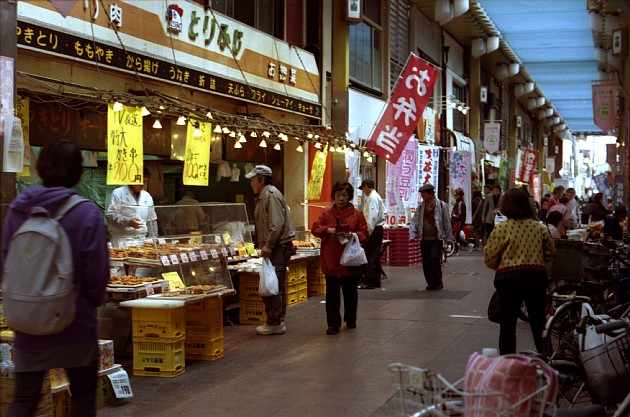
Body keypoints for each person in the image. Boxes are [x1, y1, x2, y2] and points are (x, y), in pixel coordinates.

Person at [1, 140, 109, 417]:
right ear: (78, 172)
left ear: (40, 168)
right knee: (83, 399)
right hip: (76, 323)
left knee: (25, 399)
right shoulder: (86, 213)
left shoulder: (17, 210)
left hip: (28, 321)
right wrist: (89, 304)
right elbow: (97, 274)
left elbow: (5, 262)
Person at [483, 188, 555, 355]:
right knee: (538, 322)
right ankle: (548, 360)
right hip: (536, 278)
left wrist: (501, 265)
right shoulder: (539, 228)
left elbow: (490, 257)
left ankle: (509, 363)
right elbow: (551, 252)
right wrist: (536, 260)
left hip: (509, 279)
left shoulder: (502, 228)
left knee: (507, 325)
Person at [311, 181, 369, 334]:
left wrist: (353, 235)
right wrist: (329, 230)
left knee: (350, 292)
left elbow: (364, 234)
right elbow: (315, 229)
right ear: (333, 196)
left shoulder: (357, 214)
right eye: (338, 195)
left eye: (344, 195)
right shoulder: (326, 213)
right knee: (332, 294)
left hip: (350, 261)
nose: (341, 199)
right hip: (331, 259)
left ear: (349, 196)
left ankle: (351, 319)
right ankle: (333, 324)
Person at [246, 165, 295, 335]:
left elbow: (277, 224)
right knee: (275, 283)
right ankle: (276, 320)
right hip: (275, 247)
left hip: (278, 248)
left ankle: (275, 322)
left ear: (262, 179)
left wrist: (268, 245)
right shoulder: (263, 195)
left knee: (273, 285)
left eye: (253, 179)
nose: (251, 183)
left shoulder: (270, 195)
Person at [409, 183, 452, 290]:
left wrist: (449, 237)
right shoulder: (420, 207)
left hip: (436, 238)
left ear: (431, 194)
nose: (422, 196)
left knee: (434, 258)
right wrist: (412, 234)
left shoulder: (441, 205)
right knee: (426, 262)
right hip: (424, 238)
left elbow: (447, 222)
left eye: (424, 194)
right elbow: (414, 221)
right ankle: (431, 283)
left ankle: (438, 281)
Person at [106, 167, 158, 247]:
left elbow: (152, 221)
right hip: (121, 240)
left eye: (144, 182)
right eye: (139, 182)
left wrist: (153, 241)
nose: (142, 185)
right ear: (130, 179)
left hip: (142, 240)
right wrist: (128, 222)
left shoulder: (147, 196)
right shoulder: (118, 193)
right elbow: (111, 216)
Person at [358, 179, 385, 289]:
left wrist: (367, 233)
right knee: (373, 255)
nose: (363, 191)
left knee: (371, 256)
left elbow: (371, 217)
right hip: (377, 229)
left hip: (373, 230)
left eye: (363, 188)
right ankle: (375, 280)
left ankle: (371, 281)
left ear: (366, 187)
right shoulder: (375, 197)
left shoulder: (372, 198)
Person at [451, 188, 474, 254]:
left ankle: (459, 249)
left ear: (459, 195)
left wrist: (453, 216)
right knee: (456, 236)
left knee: (455, 236)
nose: (455, 196)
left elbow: (459, 214)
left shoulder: (460, 203)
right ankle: (467, 245)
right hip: (458, 221)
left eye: (456, 195)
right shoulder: (459, 202)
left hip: (458, 222)